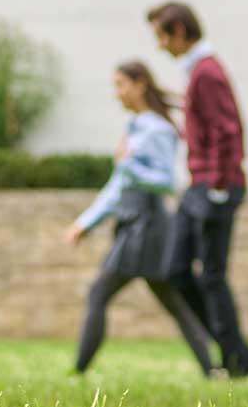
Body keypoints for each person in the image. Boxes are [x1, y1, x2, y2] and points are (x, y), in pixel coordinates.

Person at [64, 60, 218, 377]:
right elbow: (118, 185)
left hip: (147, 225)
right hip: (135, 221)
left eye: (120, 84)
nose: (116, 93)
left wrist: (129, 164)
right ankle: (212, 368)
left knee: (99, 293)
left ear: (140, 85)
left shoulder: (157, 130)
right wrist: (86, 222)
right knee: (171, 299)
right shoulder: (135, 128)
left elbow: (165, 181)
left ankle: (79, 369)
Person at [147, 0, 248, 380]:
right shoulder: (198, 72)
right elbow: (202, 116)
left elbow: (228, 131)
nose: (160, 46)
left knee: (212, 275)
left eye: (161, 37)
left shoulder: (207, 72)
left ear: (179, 31)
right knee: (175, 270)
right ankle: (238, 352)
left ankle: (237, 358)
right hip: (199, 185)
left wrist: (216, 185)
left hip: (215, 186)